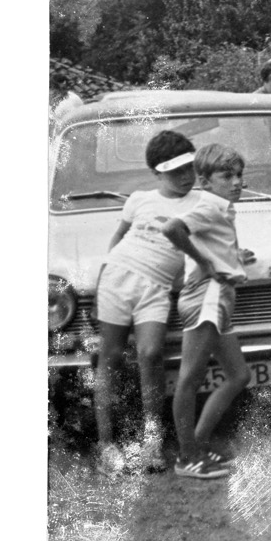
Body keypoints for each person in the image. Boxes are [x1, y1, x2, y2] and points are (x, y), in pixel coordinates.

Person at [91, 130, 198, 476]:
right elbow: (119, 236)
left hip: (157, 289)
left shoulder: (200, 204)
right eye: (175, 171)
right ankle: (106, 445)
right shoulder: (139, 198)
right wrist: (106, 274)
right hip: (118, 279)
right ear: (157, 173)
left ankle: (152, 441)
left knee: (151, 354)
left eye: (189, 168)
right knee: (109, 359)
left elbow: (207, 248)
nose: (185, 176)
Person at [162, 143, 254, 480]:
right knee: (190, 378)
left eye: (239, 175)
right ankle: (188, 458)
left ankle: (197, 444)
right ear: (205, 181)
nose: (236, 182)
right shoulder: (211, 208)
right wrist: (206, 263)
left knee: (239, 376)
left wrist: (234, 257)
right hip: (207, 298)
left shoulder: (223, 209)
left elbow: (209, 244)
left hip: (220, 298)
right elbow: (172, 228)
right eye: (226, 176)